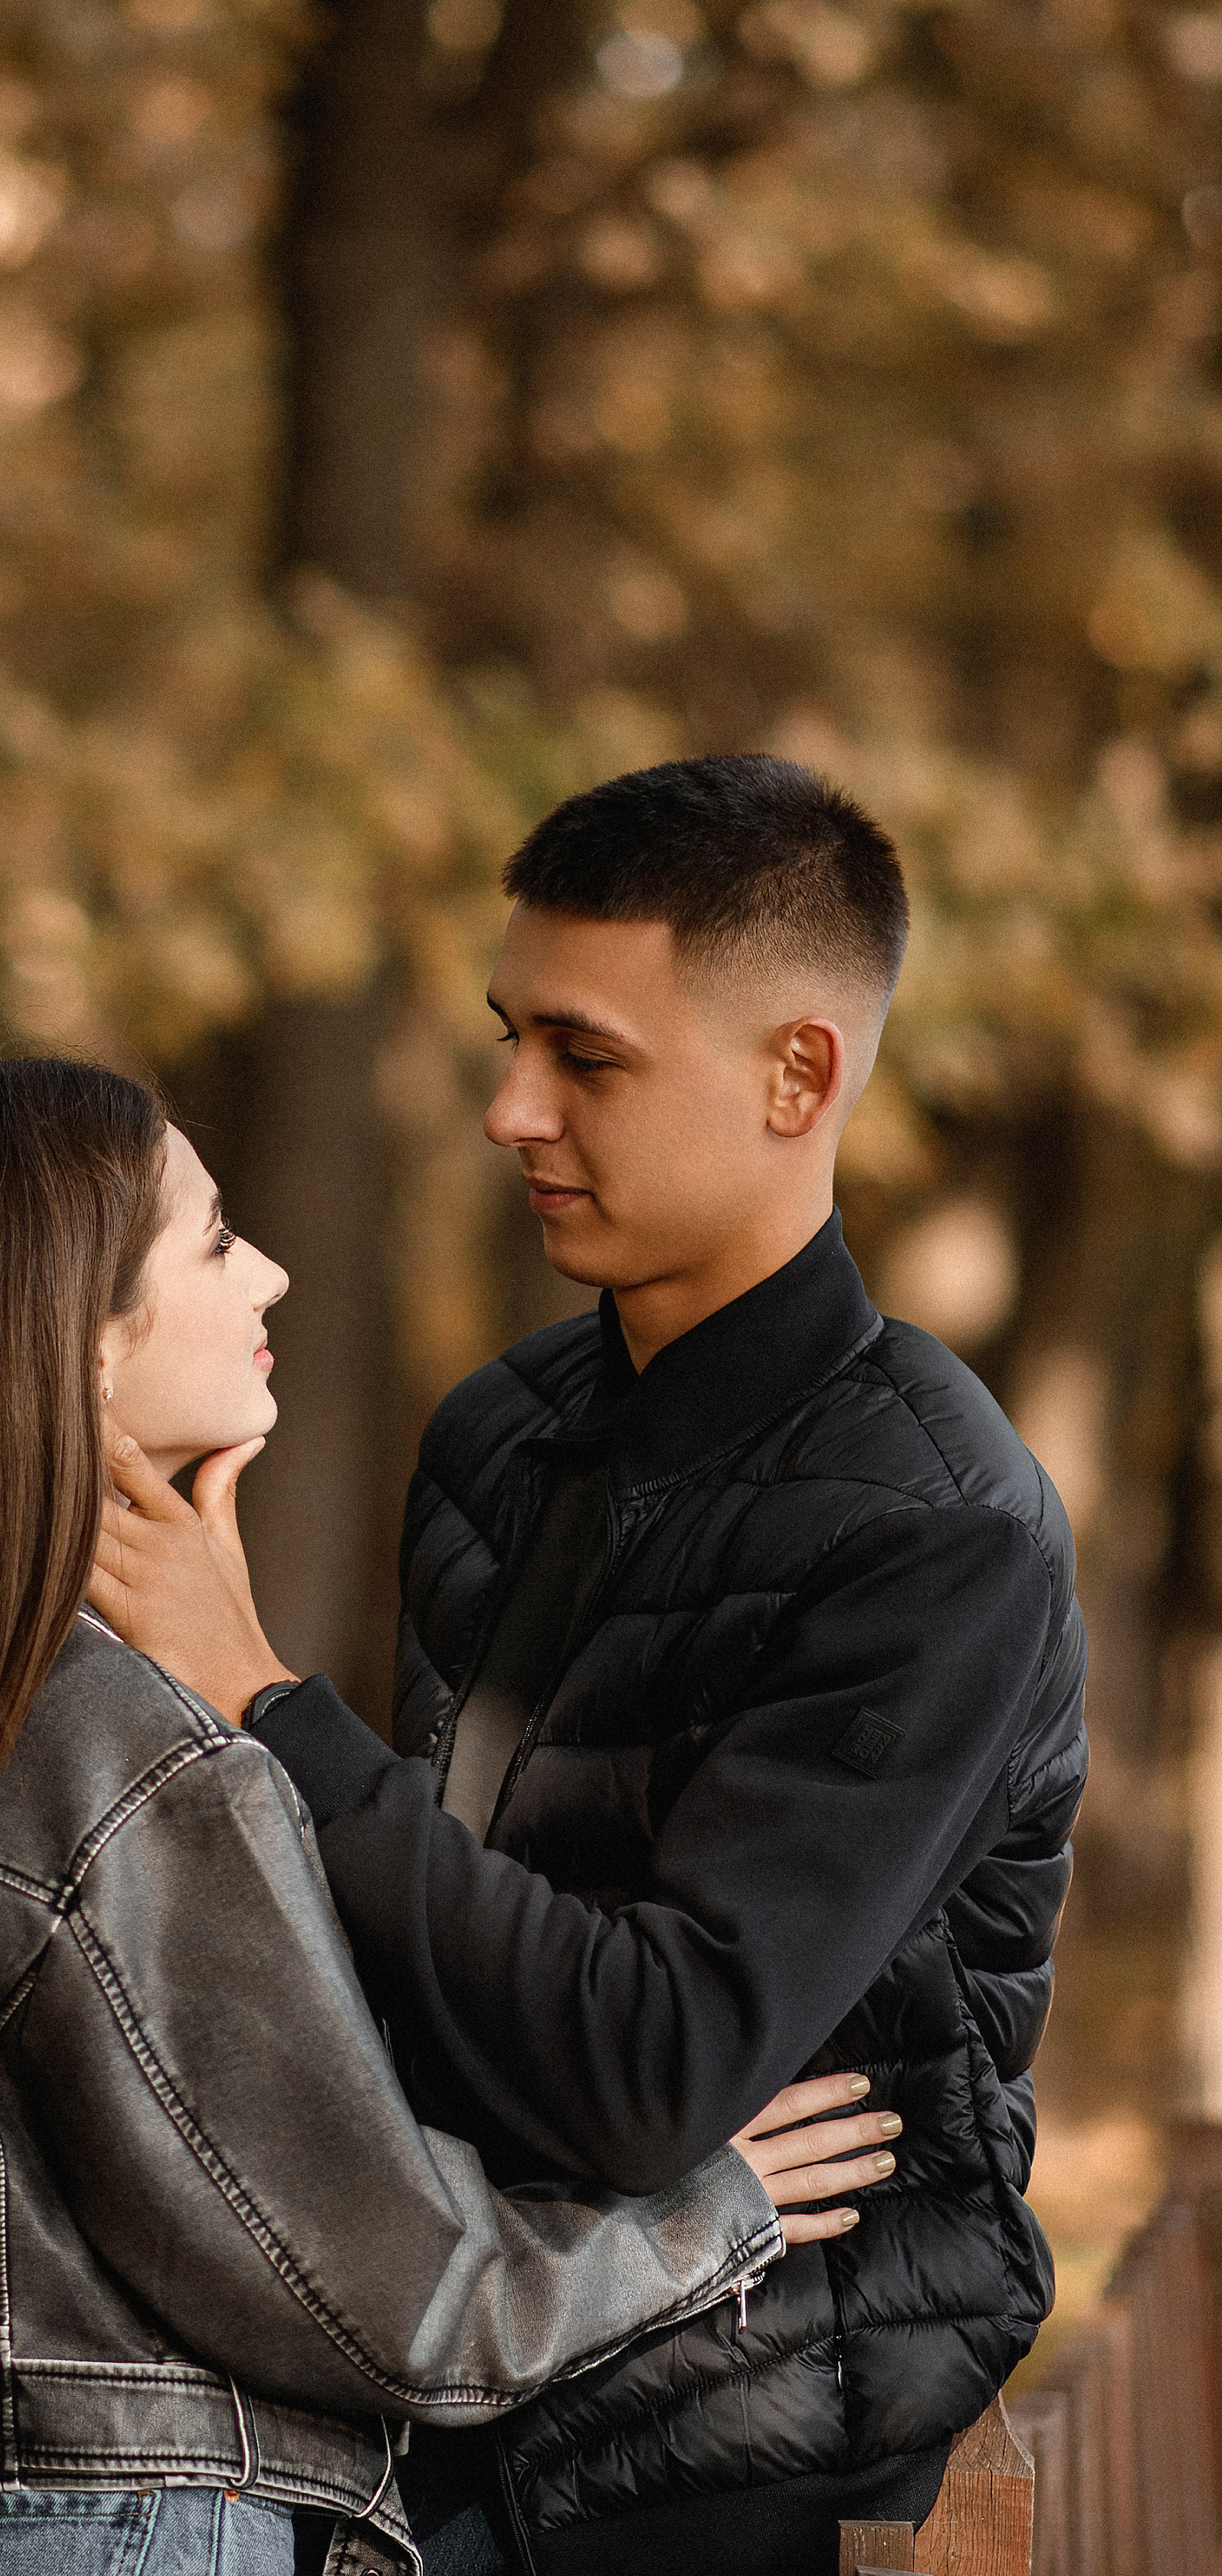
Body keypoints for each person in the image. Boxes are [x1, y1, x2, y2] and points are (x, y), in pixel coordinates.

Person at [90, 755, 1089, 2576]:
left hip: (738, 2454)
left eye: (586, 1057)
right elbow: (430, 1983)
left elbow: (647, 2072)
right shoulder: (497, 1437)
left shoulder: (942, 1533)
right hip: (450, 2365)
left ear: (799, 1077)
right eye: (510, 1040)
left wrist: (264, 1701)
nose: (508, 1110)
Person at [0, 1055, 890, 2576]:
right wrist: (707, 2215)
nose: (268, 1270)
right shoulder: (119, 1756)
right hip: (93, 2537)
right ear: (81, 1349)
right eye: (211, 1241)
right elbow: (399, 2297)